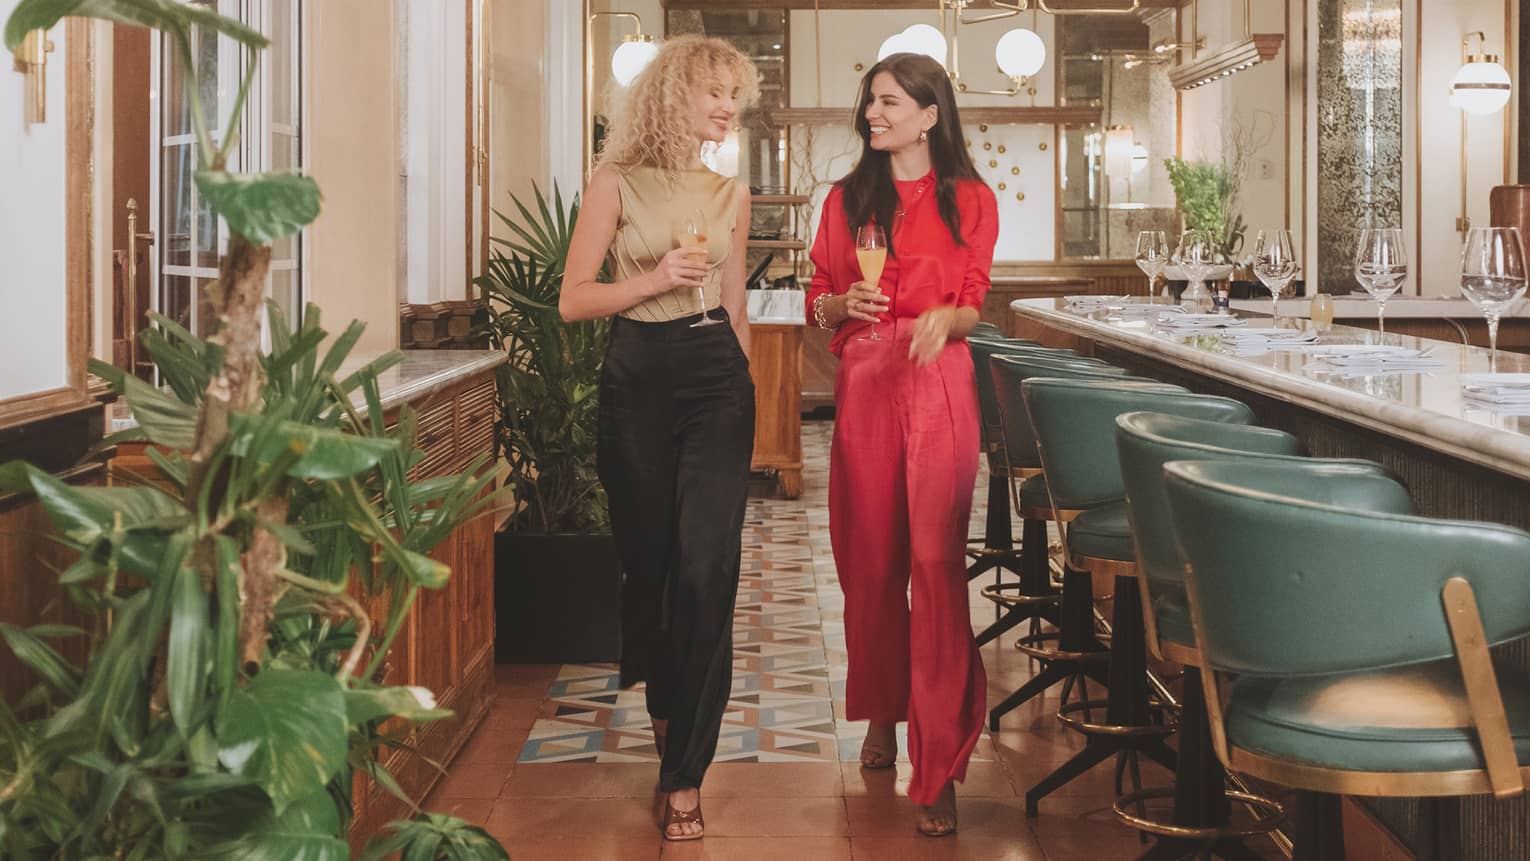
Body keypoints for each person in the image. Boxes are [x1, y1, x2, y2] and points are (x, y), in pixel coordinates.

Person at [560, 35, 759, 842]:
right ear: (672, 92)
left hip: (715, 375)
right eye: (713, 91)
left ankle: (686, 773)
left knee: (709, 565)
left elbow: (736, 296)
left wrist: (740, 375)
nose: (726, 107)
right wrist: (652, 280)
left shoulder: (730, 193)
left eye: (734, 96)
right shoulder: (612, 183)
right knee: (653, 568)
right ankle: (667, 711)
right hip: (636, 373)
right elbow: (574, 300)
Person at [804, 52, 996, 837]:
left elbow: (975, 299)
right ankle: (883, 711)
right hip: (867, 384)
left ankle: (939, 760)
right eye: (869, 102)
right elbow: (817, 296)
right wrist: (837, 304)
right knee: (872, 562)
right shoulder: (847, 200)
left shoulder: (971, 199)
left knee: (935, 566)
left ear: (929, 114)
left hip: (940, 381)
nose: (872, 113)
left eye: (888, 102)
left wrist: (947, 321)